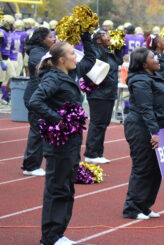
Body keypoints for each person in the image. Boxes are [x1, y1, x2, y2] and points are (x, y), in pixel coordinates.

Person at [29, 33, 96, 245]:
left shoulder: (69, 75)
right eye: (71, 53)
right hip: (59, 143)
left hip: (70, 141)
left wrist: (86, 34)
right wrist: (57, 120)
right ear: (61, 60)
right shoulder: (53, 77)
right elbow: (35, 101)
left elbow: (91, 59)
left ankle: (58, 233)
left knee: (66, 186)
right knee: (57, 187)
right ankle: (50, 237)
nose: (76, 57)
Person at [123, 47, 164, 220]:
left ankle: (145, 206)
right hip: (142, 128)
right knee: (143, 168)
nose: (157, 59)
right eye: (152, 57)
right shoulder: (139, 81)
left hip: (160, 128)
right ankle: (132, 208)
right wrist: (154, 132)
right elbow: (146, 108)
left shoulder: (155, 77)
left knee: (157, 169)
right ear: (143, 63)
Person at [84, 30, 123, 164]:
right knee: (97, 123)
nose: (109, 37)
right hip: (98, 93)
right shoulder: (95, 51)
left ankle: (98, 153)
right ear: (98, 40)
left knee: (104, 123)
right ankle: (91, 153)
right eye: (106, 36)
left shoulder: (108, 51)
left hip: (109, 92)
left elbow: (118, 61)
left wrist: (118, 48)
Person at [21, 27, 56, 176]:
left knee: (40, 129)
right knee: (37, 130)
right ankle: (30, 166)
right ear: (42, 39)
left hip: (38, 95)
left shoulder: (43, 51)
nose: (53, 39)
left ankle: (32, 163)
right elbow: (41, 66)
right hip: (35, 96)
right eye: (50, 37)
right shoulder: (36, 52)